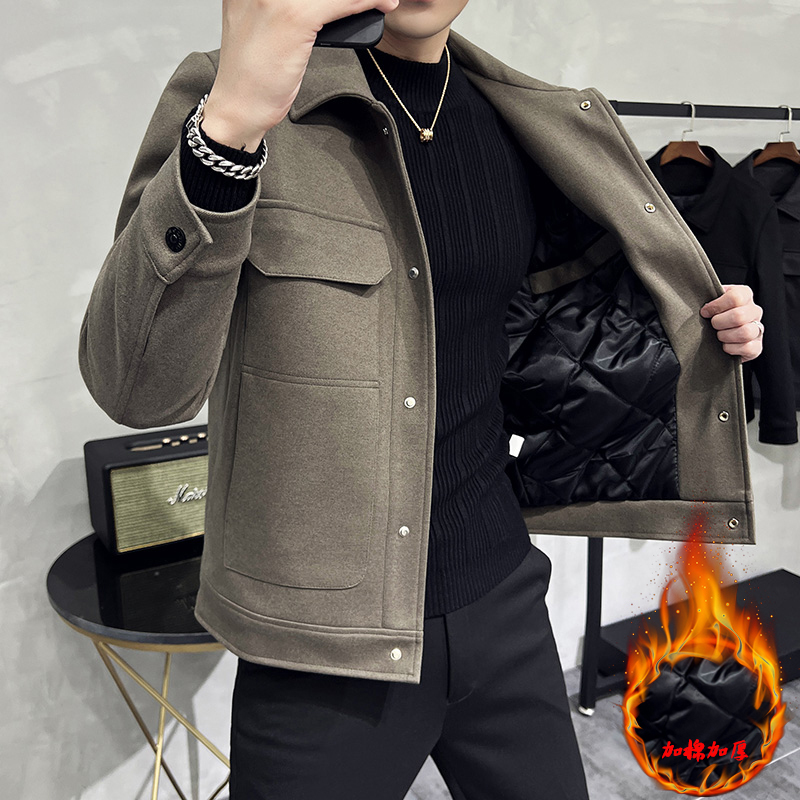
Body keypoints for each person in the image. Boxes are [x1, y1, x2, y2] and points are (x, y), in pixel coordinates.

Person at [78, 1, 765, 797]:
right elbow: (135, 388)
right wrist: (229, 130)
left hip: (500, 592)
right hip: (320, 650)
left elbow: (546, 334)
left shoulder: (527, 121)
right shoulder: (236, 96)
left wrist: (696, 324)